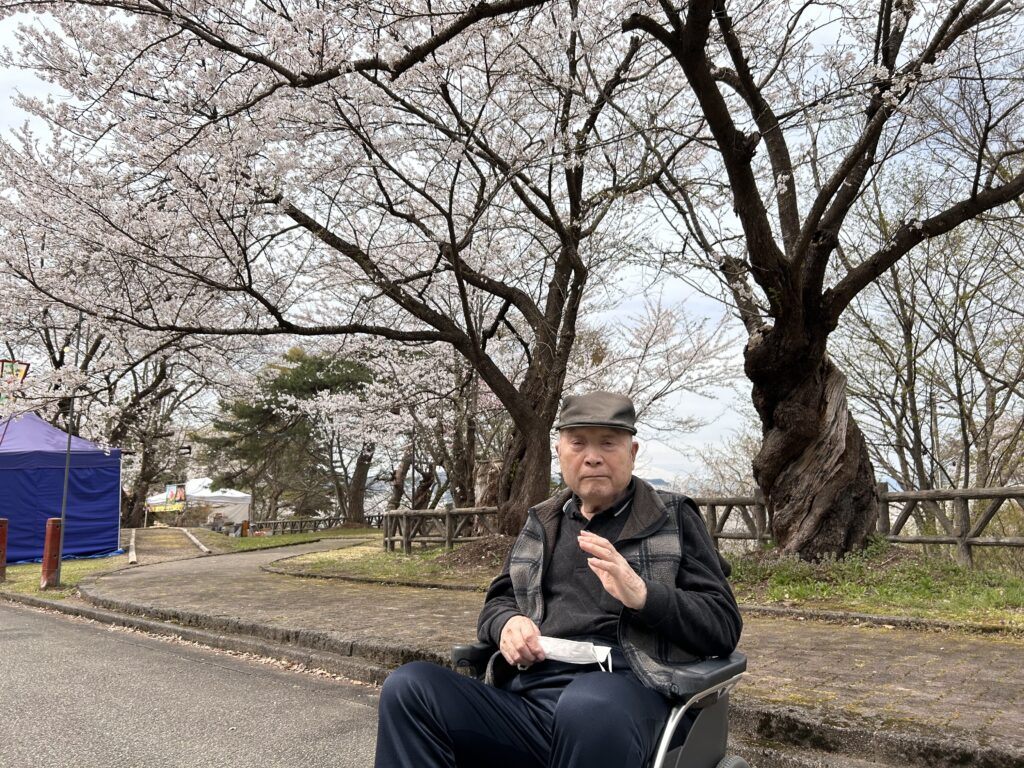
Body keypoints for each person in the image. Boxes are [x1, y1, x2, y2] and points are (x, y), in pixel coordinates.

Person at [374, 391, 742, 768]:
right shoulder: (542, 522)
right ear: (560, 452)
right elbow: (499, 602)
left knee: (588, 706)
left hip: (630, 696)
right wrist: (507, 624)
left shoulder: (672, 517)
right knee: (409, 688)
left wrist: (644, 595)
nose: (592, 456)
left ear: (632, 453)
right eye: (578, 443)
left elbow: (723, 624)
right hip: (529, 699)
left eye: (608, 443)